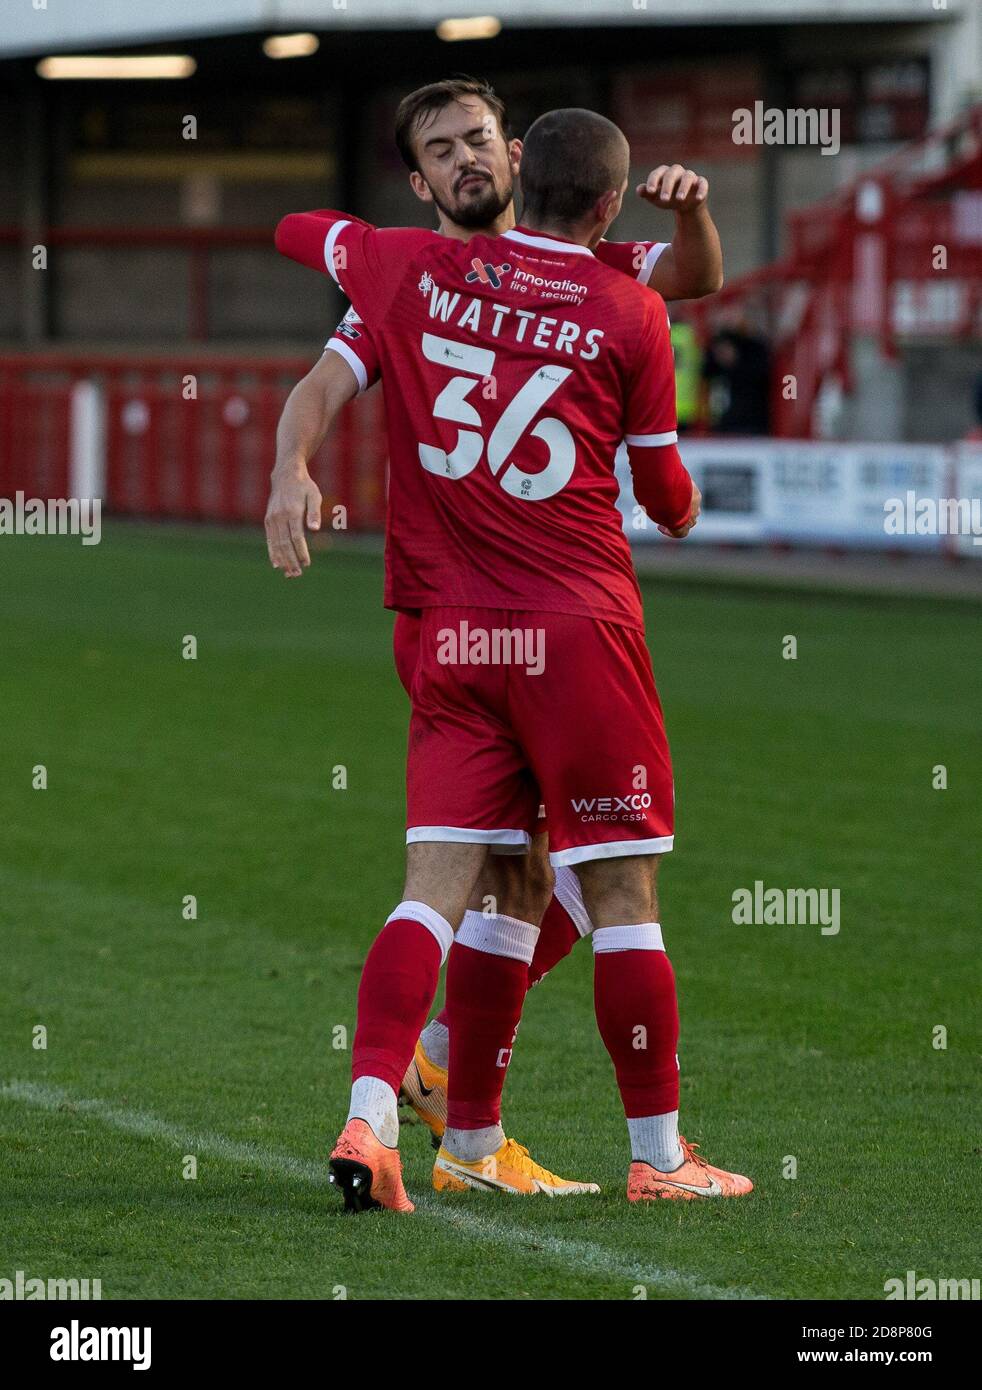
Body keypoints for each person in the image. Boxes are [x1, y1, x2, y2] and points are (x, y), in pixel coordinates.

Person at [274, 105, 752, 1211]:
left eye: (479, 136)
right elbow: (669, 480)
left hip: (456, 635)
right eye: (440, 148)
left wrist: (340, 237)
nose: (467, 156)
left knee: (482, 879)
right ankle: (650, 1150)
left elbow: (300, 227)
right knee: (614, 883)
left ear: (517, 158)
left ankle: (425, 1115)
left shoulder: (402, 270)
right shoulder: (598, 294)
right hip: (563, 630)